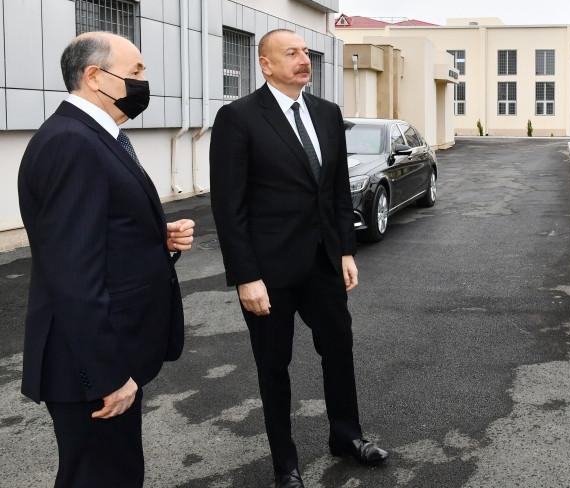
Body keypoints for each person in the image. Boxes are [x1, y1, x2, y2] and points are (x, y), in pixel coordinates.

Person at [210, 29, 388, 488]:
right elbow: (229, 208)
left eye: (305, 52)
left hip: (323, 262)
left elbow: (332, 190)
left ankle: (346, 437)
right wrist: (245, 277)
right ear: (266, 64)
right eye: (290, 53)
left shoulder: (326, 114)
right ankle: (284, 464)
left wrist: (346, 249)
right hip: (268, 273)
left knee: (339, 350)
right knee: (274, 365)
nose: (302, 59)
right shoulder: (239, 117)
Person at [18, 32, 195, 487]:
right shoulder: (72, 143)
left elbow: (96, 236)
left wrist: (157, 239)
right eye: (135, 73)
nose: (143, 82)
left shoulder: (95, 136)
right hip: (90, 367)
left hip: (101, 356)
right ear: (95, 76)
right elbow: (74, 275)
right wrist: (108, 376)